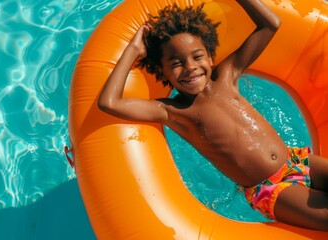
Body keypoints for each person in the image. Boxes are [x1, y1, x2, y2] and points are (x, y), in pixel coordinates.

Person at [97, 0, 328, 231]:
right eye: (176, 63)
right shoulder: (172, 111)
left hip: (296, 159)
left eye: (197, 57)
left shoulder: (227, 75)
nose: (190, 67)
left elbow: (271, 24)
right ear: (162, 71)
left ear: (209, 56)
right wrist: (134, 50)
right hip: (271, 189)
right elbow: (109, 102)